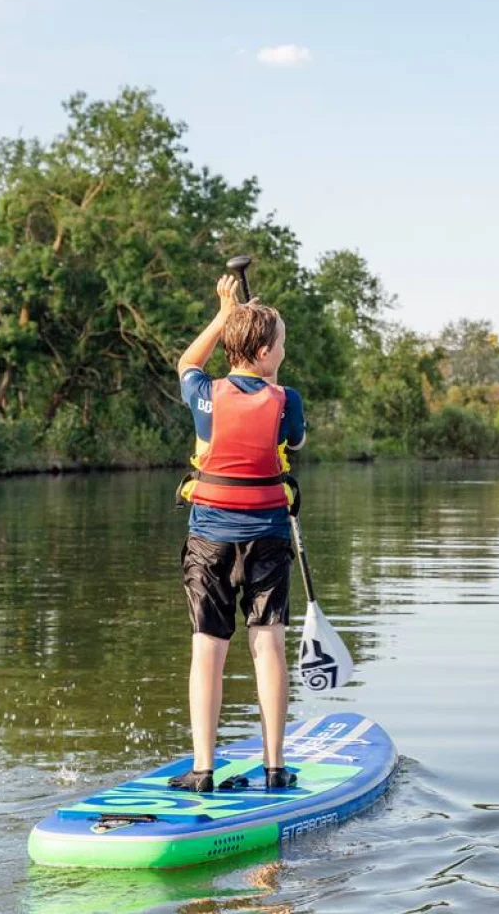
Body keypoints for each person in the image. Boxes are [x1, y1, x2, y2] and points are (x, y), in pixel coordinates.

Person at [169, 274, 306, 793]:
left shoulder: (203, 395)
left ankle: (202, 770)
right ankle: (275, 768)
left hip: (208, 539)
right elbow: (297, 437)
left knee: (208, 646)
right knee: (267, 644)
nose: (285, 353)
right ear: (266, 350)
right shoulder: (287, 400)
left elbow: (187, 363)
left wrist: (223, 314)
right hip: (268, 536)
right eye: (283, 344)